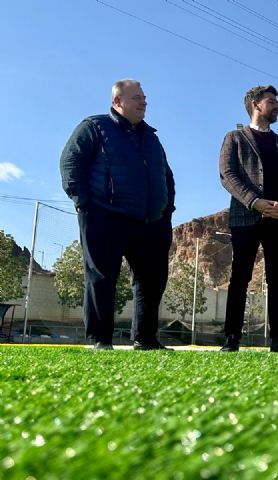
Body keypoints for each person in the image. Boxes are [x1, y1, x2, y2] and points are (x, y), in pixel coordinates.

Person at [60, 79, 175, 350]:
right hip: (104, 216)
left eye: (144, 97)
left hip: (151, 222)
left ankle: (146, 339)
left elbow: (165, 176)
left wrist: (166, 211)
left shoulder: (152, 138)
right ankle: (100, 340)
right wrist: (84, 203)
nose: (143, 102)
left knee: (152, 280)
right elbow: (70, 161)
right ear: (117, 101)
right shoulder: (94, 127)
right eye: (136, 97)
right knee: (102, 277)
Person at [219, 85, 278, 352]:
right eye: (272, 101)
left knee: (277, 279)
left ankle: (277, 338)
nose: (277, 106)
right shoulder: (234, 138)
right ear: (256, 105)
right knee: (240, 277)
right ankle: (232, 337)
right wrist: (256, 202)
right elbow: (228, 175)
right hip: (245, 218)